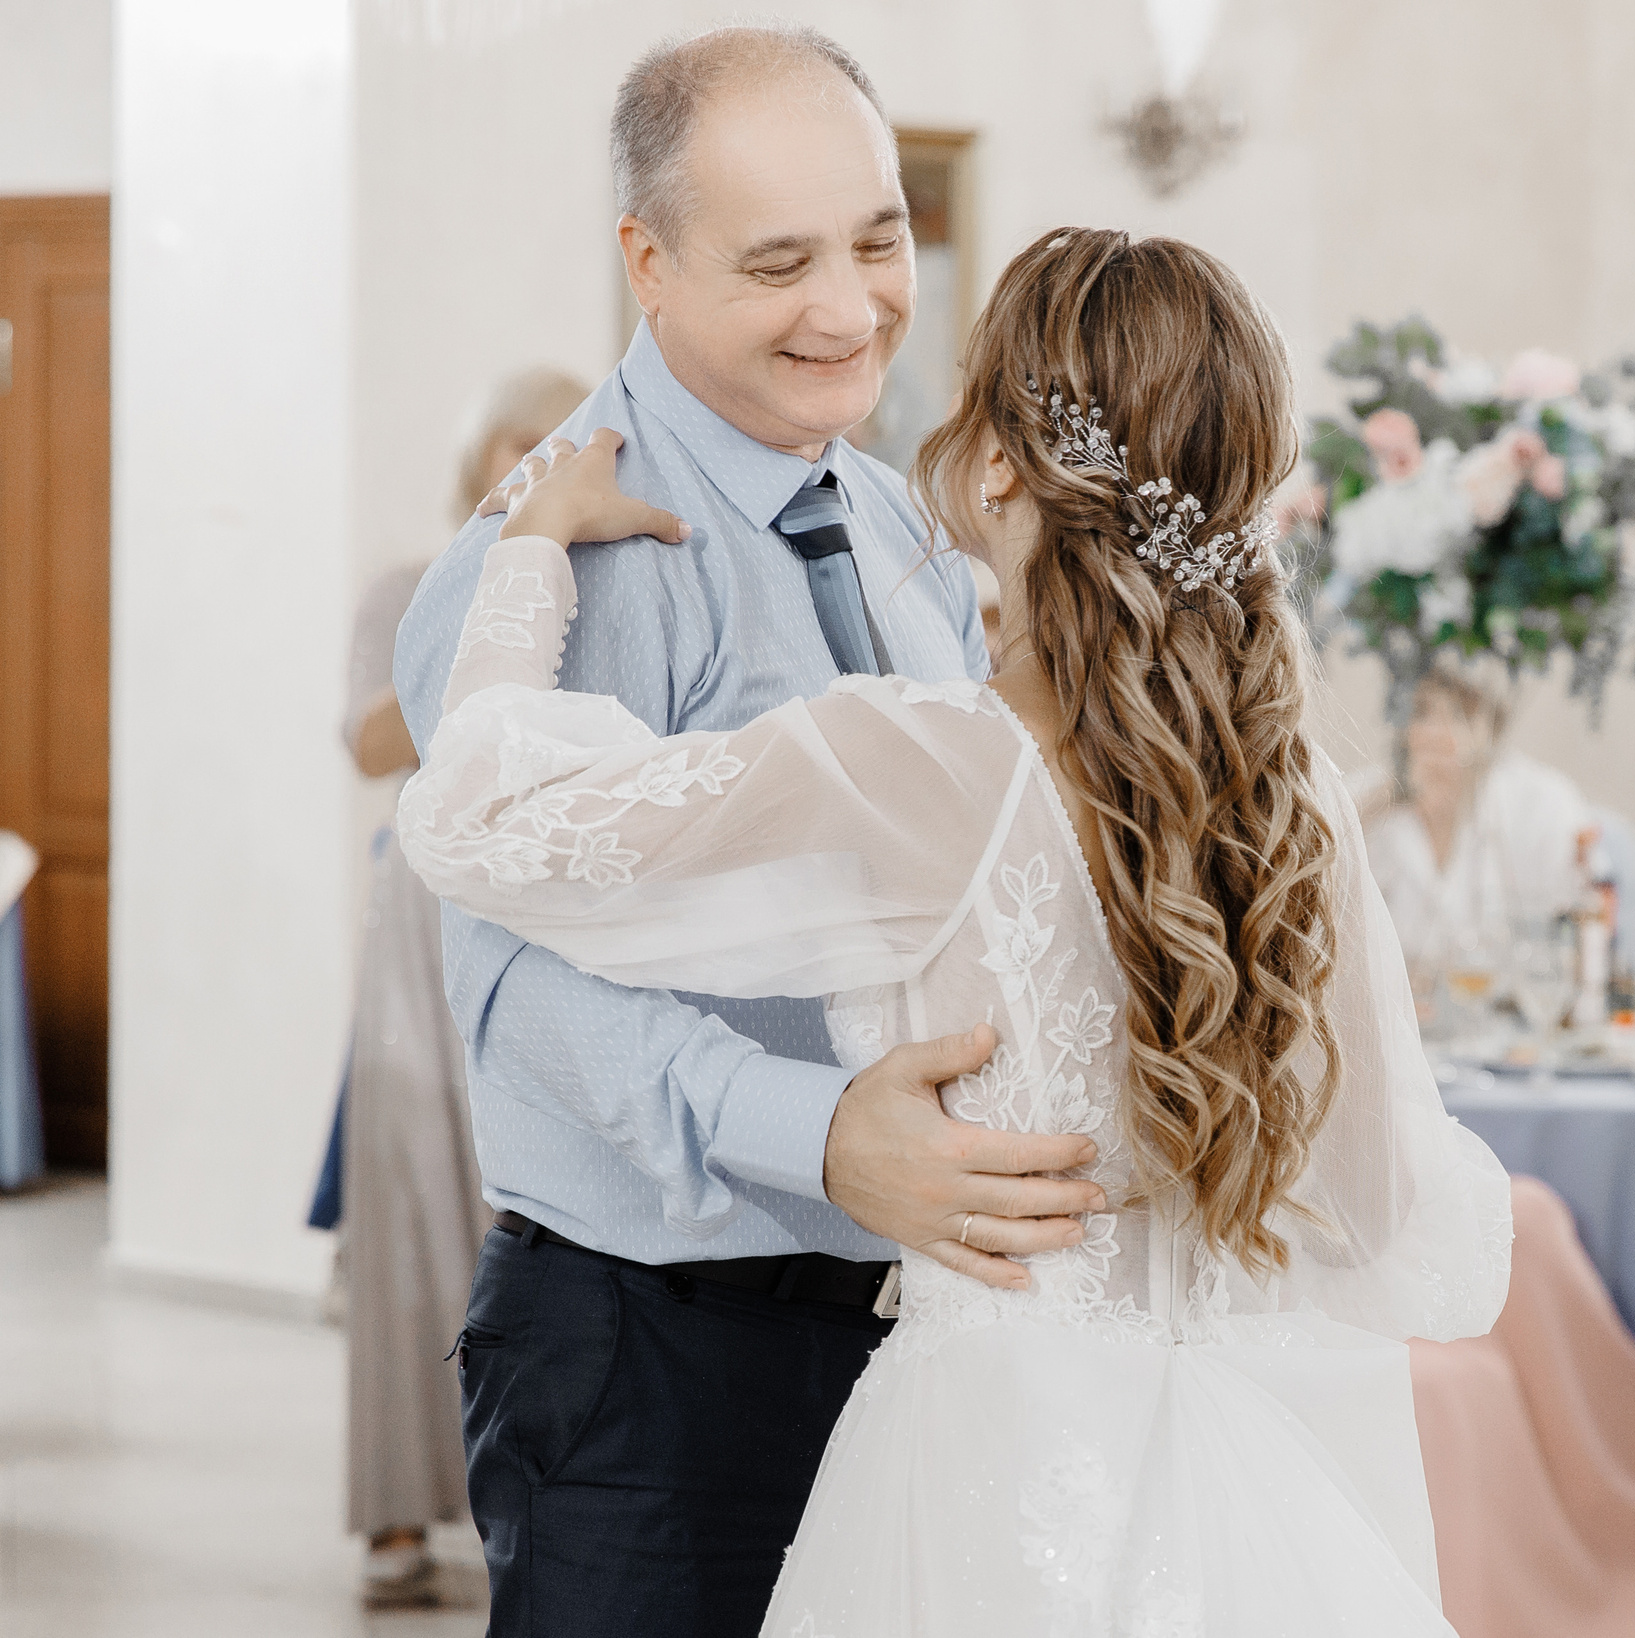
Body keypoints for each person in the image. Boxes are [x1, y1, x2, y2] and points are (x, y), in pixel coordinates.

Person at [397, 224, 1509, 1635]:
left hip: (999, 1480)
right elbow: (1398, 1214)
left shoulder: (934, 766)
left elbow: (479, 820)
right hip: (1252, 1494)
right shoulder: (1302, 801)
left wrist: (531, 545)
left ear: (995, 465)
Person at [388, 27, 1074, 1634]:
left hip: (914, 1330)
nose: (851, 310)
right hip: (651, 1357)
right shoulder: (552, 565)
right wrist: (824, 1134)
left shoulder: (900, 514)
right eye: (778, 263)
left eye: (881, 238)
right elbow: (515, 994)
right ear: (648, 259)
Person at [335, 364, 586, 1609]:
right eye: (516, 446)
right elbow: (368, 742)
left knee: (520, 1221)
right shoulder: (410, 586)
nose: (536, 465)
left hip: (541, 914)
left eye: (561, 446)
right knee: (404, 1211)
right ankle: (391, 1509)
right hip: (418, 924)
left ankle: (519, 1503)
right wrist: (490, 602)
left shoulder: (603, 587)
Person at [1363, 667, 1602, 977]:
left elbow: (1571, 938)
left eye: (1461, 715)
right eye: (1422, 713)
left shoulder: (1541, 806)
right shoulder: (1368, 806)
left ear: (1492, 729)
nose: (1435, 734)